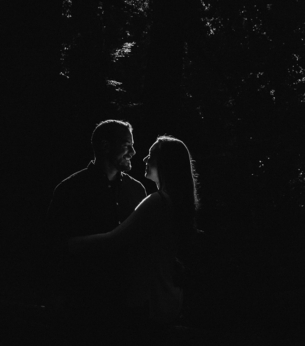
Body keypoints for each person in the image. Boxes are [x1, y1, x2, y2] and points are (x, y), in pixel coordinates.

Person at [68, 135, 200, 327]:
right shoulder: (177, 202)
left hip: (150, 300)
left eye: (151, 154)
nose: (145, 159)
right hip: (169, 297)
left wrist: (71, 244)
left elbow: (113, 240)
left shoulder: (158, 202)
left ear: (165, 162)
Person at [45, 120, 147, 326]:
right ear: (105, 146)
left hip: (125, 304)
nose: (134, 152)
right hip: (81, 304)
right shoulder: (70, 190)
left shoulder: (137, 191)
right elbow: (53, 247)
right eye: (127, 145)